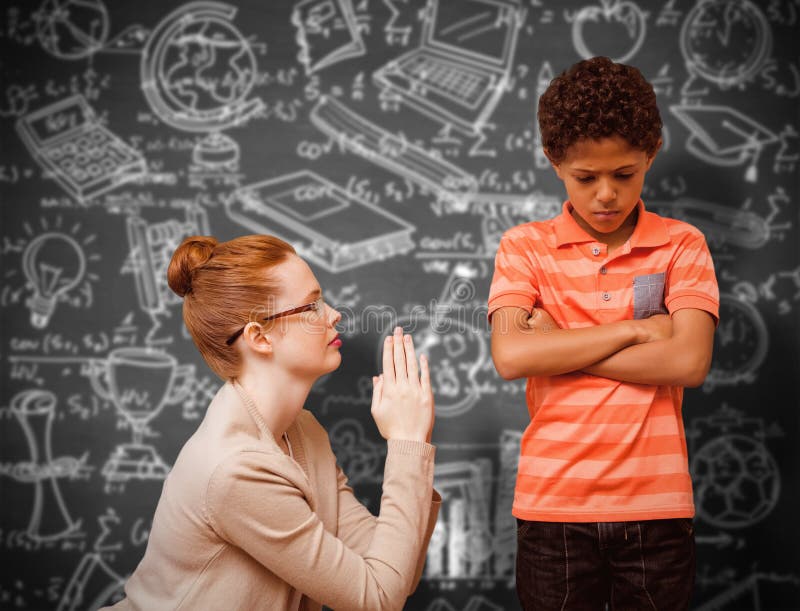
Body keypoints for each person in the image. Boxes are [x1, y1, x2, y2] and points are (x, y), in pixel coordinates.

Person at [488, 56, 719, 610]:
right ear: (555, 162)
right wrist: (639, 332)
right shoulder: (524, 247)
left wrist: (559, 343)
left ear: (652, 154)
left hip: (657, 506)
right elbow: (512, 355)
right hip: (553, 505)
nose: (607, 195)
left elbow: (688, 362)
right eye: (586, 178)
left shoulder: (682, 245)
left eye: (625, 174)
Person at [105, 234, 440, 611]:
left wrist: (416, 441)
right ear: (260, 337)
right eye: (312, 305)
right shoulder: (237, 470)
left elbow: (395, 575)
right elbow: (378, 598)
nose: (334, 314)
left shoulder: (303, 432)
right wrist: (406, 441)